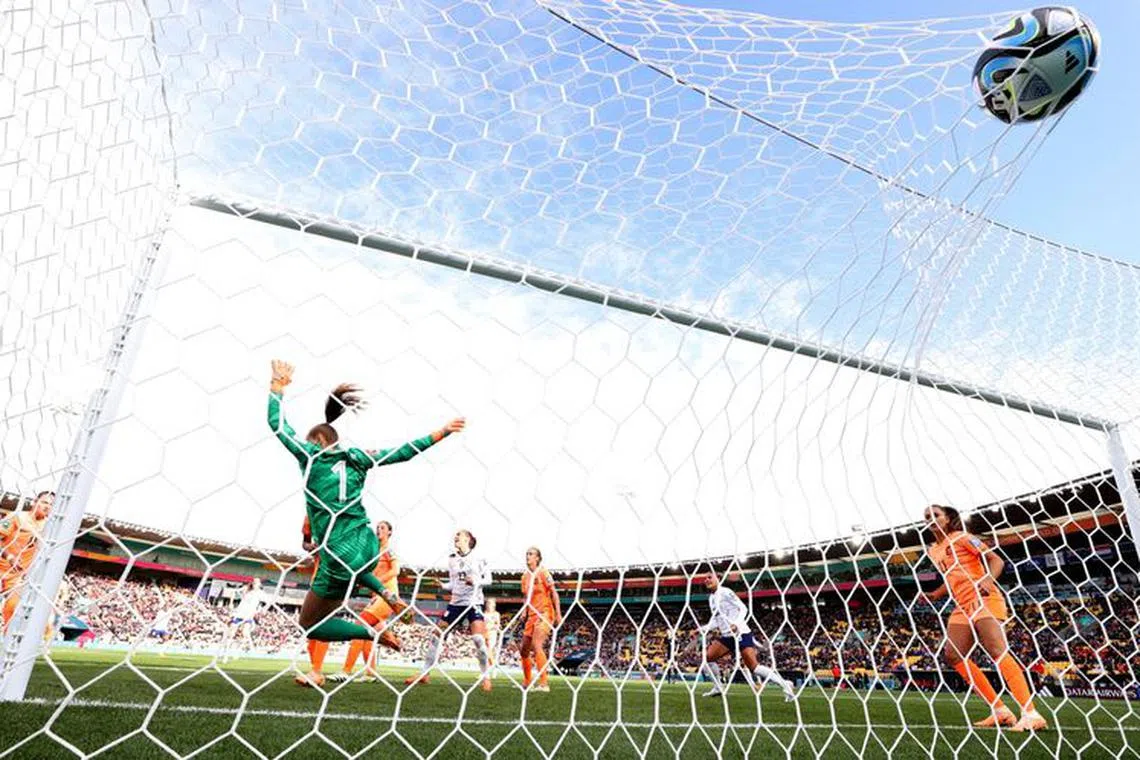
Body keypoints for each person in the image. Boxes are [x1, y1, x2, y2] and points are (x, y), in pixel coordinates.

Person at [267, 359, 464, 686]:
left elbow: (278, 426)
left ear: (315, 442)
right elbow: (403, 452)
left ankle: (368, 631)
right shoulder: (357, 458)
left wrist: (277, 386)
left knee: (310, 624)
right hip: (368, 544)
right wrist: (441, 432)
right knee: (344, 588)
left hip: (338, 551)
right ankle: (384, 599)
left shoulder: (310, 457)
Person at [921, 503, 1046, 732]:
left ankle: (1030, 713)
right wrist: (935, 594)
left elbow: (996, 560)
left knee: (996, 649)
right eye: (926, 516)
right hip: (962, 606)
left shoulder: (962, 537)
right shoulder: (933, 550)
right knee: (953, 655)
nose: (930, 519)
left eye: (935, 515)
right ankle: (1000, 711)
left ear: (948, 518)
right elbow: (952, 577)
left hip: (985, 598)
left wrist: (987, 580)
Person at [406, 529, 492, 691]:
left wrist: (474, 581)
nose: (455, 538)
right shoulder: (452, 559)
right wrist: (443, 585)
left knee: (478, 640)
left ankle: (486, 677)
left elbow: (488, 580)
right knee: (437, 634)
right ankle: (424, 673)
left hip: (473, 603)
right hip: (455, 603)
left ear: (467, 539)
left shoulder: (479, 558)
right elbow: (453, 584)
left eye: (459, 536)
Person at [691, 570, 795, 701]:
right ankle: (718, 687)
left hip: (741, 634)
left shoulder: (726, 592)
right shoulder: (711, 598)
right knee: (707, 659)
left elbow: (743, 608)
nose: (706, 580)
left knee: (754, 667)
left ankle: (786, 684)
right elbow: (716, 621)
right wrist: (700, 629)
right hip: (727, 636)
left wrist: (736, 624)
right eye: (705, 578)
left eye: (709, 577)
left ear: (718, 579)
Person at [329, 520, 402, 682]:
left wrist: (378, 585)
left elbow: (396, 570)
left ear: (390, 532)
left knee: (359, 626)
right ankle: (371, 673)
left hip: (387, 596)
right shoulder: (374, 552)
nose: (378, 530)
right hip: (377, 597)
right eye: (377, 528)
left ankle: (346, 671)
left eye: (382, 528)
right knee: (370, 633)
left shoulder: (388, 550)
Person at [1, 491, 54, 631]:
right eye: (44, 502)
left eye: (51, 504)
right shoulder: (17, 517)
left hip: (17, 575)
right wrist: (9, 557)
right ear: (34, 502)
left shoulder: (48, 527)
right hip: (3, 565)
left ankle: (8, 644)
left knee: (13, 607)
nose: (47, 506)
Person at [519, 546, 561, 692]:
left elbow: (554, 593)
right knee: (523, 650)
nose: (528, 556)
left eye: (531, 554)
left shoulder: (543, 572)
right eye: (527, 553)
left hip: (545, 612)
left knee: (537, 644)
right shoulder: (524, 577)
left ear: (537, 558)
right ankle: (527, 681)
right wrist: (524, 611)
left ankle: (544, 684)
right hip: (531, 615)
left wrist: (559, 614)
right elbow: (526, 597)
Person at [296, 515, 329, 686]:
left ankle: (316, 671)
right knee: (309, 628)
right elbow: (305, 543)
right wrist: (313, 548)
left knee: (322, 623)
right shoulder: (310, 516)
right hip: (317, 577)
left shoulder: (343, 511)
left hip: (334, 577)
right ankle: (315, 670)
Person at [223, 578, 264, 662]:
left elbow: (269, 602)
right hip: (239, 614)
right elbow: (233, 592)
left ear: (259, 584)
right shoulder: (246, 589)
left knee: (245, 633)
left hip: (248, 616)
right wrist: (231, 603)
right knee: (231, 634)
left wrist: (261, 610)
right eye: (254, 582)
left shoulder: (261, 593)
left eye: (257, 582)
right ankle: (226, 654)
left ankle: (237, 651)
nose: (255, 584)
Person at [484, 598, 501, 670]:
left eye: (490, 603)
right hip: (484, 633)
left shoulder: (496, 614)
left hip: (492, 633)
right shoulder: (484, 613)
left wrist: (492, 627)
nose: (489, 605)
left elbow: (498, 625)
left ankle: (489, 667)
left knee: (489, 650)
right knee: (484, 651)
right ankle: (492, 665)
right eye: (488, 603)